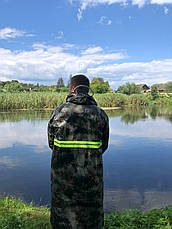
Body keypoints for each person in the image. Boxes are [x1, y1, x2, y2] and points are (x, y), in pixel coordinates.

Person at [48, 74, 109, 229]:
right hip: (91, 179)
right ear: (88, 90)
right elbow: (103, 147)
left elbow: (51, 144)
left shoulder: (59, 112)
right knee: (91, 219)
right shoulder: (100, 114)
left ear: (71, 89)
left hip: (62, 180)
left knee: (62, 216)